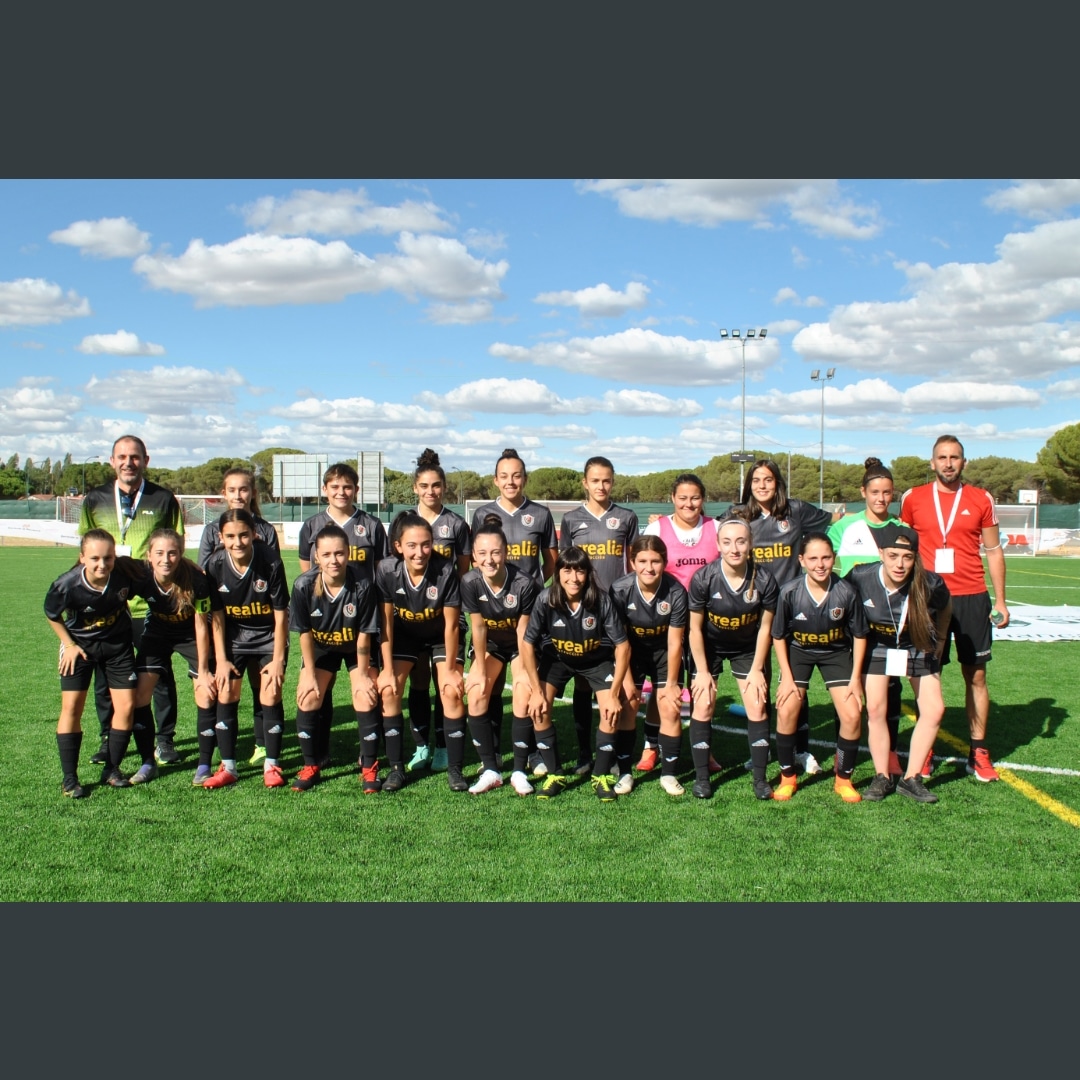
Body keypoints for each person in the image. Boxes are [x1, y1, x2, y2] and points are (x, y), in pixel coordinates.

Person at [900, 435, 1008, 783]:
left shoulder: (980, 499)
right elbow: (903, 550)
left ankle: (977, 751)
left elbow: (992, 551)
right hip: (928, 598)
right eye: (942, 457)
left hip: (972, 595)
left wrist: (1002, 600)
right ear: (932, 463)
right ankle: (926, 747)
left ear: (964, 462)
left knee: (975, 674)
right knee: (928, 676)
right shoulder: (913, 498)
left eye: (955, 457)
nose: (948, 463)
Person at [726, 459, 840, 775]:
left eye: (769, 479)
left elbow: (836, 522)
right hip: (753, 611)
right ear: (749, 484)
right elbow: (707, 529)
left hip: (793, 610)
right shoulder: (737, 515)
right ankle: (761, 749)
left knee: (794, 685)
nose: (762, 485)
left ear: (778, 483)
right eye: (757, 480)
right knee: (757, 682)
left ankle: (800, 750)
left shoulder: (797, 511)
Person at [78, 435, 184, 765]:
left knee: (160, 672)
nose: (128, 462)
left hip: (151, 605)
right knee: (105, 673)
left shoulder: (164, 498)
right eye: (122, 456)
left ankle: (164, 740)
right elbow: (85, 549)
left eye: (135, 457)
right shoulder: (94, 499)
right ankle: (109, 735)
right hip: (108, 605)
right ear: (112, 461)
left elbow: (176, 546)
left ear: (146, 460)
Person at [44, 529, 153, 796]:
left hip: (117, 647)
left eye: (108, 558)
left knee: (126, 706)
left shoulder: (125, 572)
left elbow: (163, 564)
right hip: (79, 649)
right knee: (71, 708)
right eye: (94, 558)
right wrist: (69, 645)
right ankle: (70, 779)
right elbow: (51, 613)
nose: (102, 564)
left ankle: (112, 769)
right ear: (82, 558)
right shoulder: (66, 585)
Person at [848, 524, 953, 803]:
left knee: (934, 710)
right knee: (876, 709)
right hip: (879, 645)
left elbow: (946, 607)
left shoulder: (930, 583)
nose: (899, 564)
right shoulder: (861, 576)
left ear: (915, 557)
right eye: (893, 556)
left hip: (917, 643)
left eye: (907, 557)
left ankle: (911, 778)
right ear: (881, 553)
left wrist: (940, 641)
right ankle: (882, 776)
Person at [470, 449, 558, 778]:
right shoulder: (482, 514)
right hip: (493, 618)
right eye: (504, 476)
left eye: (517, 475)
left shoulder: (541, 513)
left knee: (526, 685)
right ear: (495, 480)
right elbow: (476, 561)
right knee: (488, 688)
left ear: (525, 478)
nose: (511, 481)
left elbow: (550, 560)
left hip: (528, 614)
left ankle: (531, 751)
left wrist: (534, 589)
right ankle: (490, 755)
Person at [297, 462, 389, 771]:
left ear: (356, 490)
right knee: (314, 692)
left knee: (367, 688)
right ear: (324, 490)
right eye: (334, 487)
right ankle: (317, 753)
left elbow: (381, 571)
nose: (341, 492)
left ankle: (371, 756)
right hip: (325, 622)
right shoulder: (311, 525)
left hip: (362, 619)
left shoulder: (372, 525)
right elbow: (306, 574)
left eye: (347, 487)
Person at [519, 547, 630, 800]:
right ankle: (554, 774)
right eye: (567, 570)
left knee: (611, 711)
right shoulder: (545, 599)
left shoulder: (601, 600)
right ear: (558, 573)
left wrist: (613, 694)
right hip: (558, 659)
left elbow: (623, 646)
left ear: (588, 573)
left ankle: (601, 775)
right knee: (537, 708)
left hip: (596, 661)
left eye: (580, 570)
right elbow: (527, 644)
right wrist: (536, 692)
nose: (574, 577)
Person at [687, 517, 779, 800]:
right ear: (718, 545)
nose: (734, 548)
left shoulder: (764, 579)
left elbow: (765, 629)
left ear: (750, 544)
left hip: (747, 648)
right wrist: (702, 671)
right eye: (727, 542)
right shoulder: (703, 578)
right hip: (710, 647)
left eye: (741, 541)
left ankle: (760, 780)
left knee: (757, 706)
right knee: (702, 705)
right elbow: (694, 629)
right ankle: (702, 779)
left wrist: (756, 670)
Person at [771, 533, 867, 803]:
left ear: (833, 558)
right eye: (813, 558)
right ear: (802, 560)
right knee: (788, 708)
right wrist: (787, 678)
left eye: (825, 557)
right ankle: (787, 776)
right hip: (799, 652)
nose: (820, 564)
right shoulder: (790, 591)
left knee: (851, 714)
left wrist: (855, 678)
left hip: (835, 654)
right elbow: (778, 636)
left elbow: (860, 635)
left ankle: (843, 779)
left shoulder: (846, 591)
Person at [559, 455, 640, 775]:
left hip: (616, 612)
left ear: (613, 481)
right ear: (585, 482)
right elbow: (565, 565)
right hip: (581, 612)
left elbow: (633, 565)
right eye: (595, 480)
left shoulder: (626, 517)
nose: (601, 486)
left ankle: (619, 756)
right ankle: (583, 754)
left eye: (607, 480)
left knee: (616, 685)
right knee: (582, 684)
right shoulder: (571, 519)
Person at [375, 512, 467, 793]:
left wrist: (451, 669)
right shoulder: (386, 570)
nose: (420, 552)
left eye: (426, 544)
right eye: (412, 546)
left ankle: (454, 767)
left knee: (450, 690)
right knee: (390, 690)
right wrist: (387, 670)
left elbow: (452, 625)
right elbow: (386, 623)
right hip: (405, 636)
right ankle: (396, 769)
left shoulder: (445, 570)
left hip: (441, 636)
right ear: (398, 546)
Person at [829, 456, 906, 779]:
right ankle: (841, 750)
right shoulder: (844, 527)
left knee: (890, 690)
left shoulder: (902, 529)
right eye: (875, 492)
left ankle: (889, 753)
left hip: (892, 627)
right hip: (852, 625)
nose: (881, 498)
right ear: (864, 491)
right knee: (849, 687)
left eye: (887, 493)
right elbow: (827, 570)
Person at [198, 466, 279, 766]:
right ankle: (218, 754)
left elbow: (271, 576)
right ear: (224, 493)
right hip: (225, 624)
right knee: (222, 687)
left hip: (261, 624)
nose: (238, 495)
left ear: (252, 493)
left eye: (243, 489)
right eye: (232, 490)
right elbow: (206, 577)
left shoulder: (266, 530)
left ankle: (262, 745)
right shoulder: (211, 531)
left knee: (263, 687)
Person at [289, 524, 380, 792]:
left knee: (365, 694)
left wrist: (363, 675)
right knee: (308, 695)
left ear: (349, 553)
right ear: (316, 556)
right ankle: (311, 764)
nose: (333, 560)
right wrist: (307, 673)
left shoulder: (363, 586)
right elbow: (304, 633)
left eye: (339, 553)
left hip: (355, 647)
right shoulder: (303, 585)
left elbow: (365, 635)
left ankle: (369, 766)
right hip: (322, 647)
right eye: (326, 554)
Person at [642, 472, 723, 774]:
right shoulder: (657, 528)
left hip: (706, 625)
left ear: (704, 499)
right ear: (672, 499)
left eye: (695, 498)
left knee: (703, 687)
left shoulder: (716, 528)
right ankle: (651, 746)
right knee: (664, 686)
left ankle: (705, 749)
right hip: (666, 624)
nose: (689, 504)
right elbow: (642, 570)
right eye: (683, 497)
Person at [203, 509, 290, 788]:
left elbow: (280, 615)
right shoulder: (214, 565)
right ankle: (228, 767)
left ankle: (272, 766)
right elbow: (216, 617)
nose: (237, 542)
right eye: (230, 536)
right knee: (226, 690)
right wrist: (222, 659)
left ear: (254, 534)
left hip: (267, 635)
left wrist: (277, 660)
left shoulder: (270, 562)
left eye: (243, 535)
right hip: (234, 637)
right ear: (221, 537)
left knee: (271, 690)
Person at [460, 515, 541, 794]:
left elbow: (524, 633)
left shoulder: (524, 583)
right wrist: (479, 669)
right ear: (474, 556)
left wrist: (526, 672)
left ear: (506, 552)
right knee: (478, 691)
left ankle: (519, 770)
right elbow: (479, 628)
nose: (490, 559)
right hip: (491, 644)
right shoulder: (470, 582)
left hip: (520, 644)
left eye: (496, 552)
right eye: (482, 553)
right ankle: (491, 769)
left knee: (522, 690)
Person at [132, 529, 216, 786]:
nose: (165, 559)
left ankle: (203, 765)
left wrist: (203, 670)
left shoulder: (196, 580)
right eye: (159, 553)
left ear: (181, 554)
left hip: (191, 633)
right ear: (149, 555)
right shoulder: (140, 574)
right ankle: (148, 761)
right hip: (158, 631)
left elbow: (202, 626)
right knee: (139, 694)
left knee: (206, 692)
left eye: (172, 553)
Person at [405, 449, 472, 775]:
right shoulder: (404, 522)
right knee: (417, 681)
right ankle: (421, 746)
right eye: (424, 486)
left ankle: (445, 747)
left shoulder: (456, 524)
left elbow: (462, 573)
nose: (430, 491)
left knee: (446, 682)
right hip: (412, 617)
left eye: (436, 486)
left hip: (447, 615)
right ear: (415, 488)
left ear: (444, 488)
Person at [609, 535, 689, 796]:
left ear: (664, 562)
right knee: (628, 704)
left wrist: (672, 684)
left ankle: (668, 774)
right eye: (642, 561)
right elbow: (620, 641)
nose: (649, 567)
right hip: (631, 653)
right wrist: (627, 679)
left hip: (665, 653)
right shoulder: (620, 590)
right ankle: (624, 772)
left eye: (655, 561)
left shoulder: (676, 592)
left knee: (670, 707)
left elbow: (676, 642)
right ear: (632, 562)